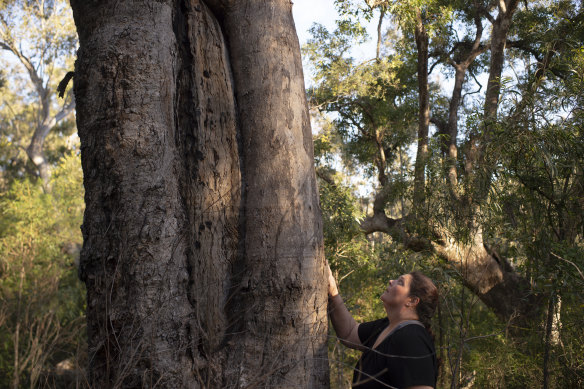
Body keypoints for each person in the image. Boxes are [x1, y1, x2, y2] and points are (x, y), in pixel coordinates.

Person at [327, 263, 438, 389]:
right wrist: (333, 292)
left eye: (400, 282)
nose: (391, 281)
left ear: (412, 301)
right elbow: (349, 333)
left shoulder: (412, 338)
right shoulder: (385, 326)